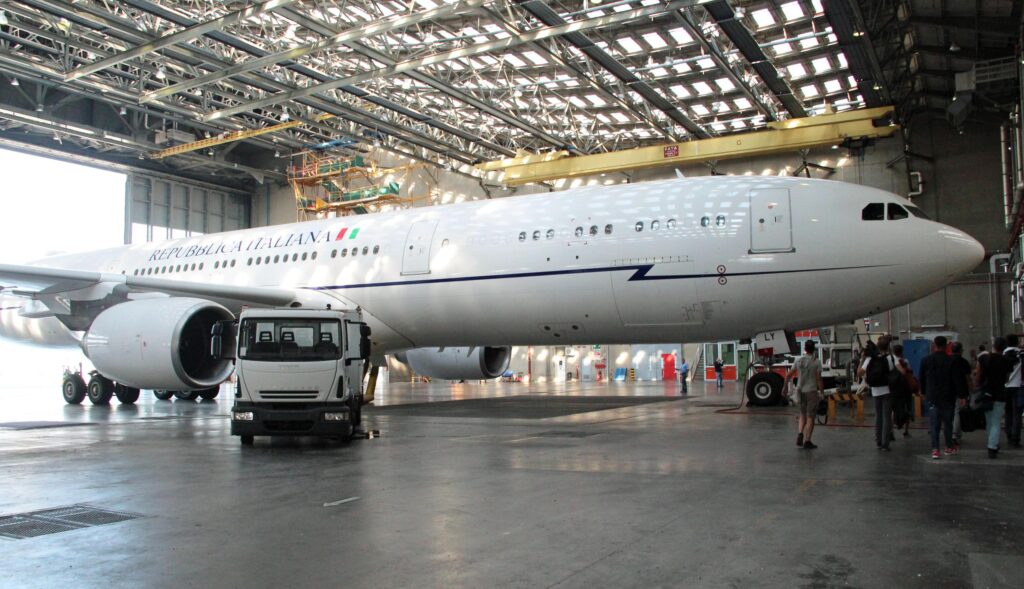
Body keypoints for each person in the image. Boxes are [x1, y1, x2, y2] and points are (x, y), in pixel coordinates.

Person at [857, 335, 904, 451]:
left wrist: (862, 359)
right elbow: (902, 371)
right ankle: (885, 444)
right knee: (887, 417)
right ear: (888, 347)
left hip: (875, 390)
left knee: (878, 416)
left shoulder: (870, 359)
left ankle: (878, 441)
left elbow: (859, 373)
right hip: (888, 390)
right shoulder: (891, 357)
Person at [918, 336, 956, 459]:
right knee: (948, 423)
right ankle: (949, 447)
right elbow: (956, 380)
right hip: (948, 396)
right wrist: (962, 395)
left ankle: (935, 449)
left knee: (934, 424)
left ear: (934, 345)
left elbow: (921, 378)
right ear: (946, 345)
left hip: (932, 395)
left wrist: (923, 392)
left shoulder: (926, 360)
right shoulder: (951, 361)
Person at [784, 340, 823, 449]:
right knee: (810, 417)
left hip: (800, 392)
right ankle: (807, 441)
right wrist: (822, 392)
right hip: (811, 392)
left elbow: (788, 375)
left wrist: (784, 387)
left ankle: (800, 433)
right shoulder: (816, 362)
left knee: (802, 414)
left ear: (805, 349)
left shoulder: (798, 360)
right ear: (814, 349)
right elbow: (819, 379)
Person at [975, 337, 1010, 458]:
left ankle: (992, 442)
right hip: (1000, 394)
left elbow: (978, 375)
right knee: (996, 421)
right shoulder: (1006, 360)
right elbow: (1007, 378)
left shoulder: (984, 358)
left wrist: (978, 386)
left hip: (986, 392)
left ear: (993, 345)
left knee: (989, 421)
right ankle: (992, 446)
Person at [891, 344, 916, 438]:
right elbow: (909, 373)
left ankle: (891, 431)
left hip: (893, 389)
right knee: (908, 408)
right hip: (905, 389)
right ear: (902, 352)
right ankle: (906, 431)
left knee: (892, 410)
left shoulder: (891, 361)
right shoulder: (905, 361)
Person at [1003, 334, 1022, 448]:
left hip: (1005, 386)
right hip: (1018, 385)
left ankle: (1009, 435)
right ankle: (1015, 438)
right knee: (1017, 413)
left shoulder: (1003, 354)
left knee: (1008, 412)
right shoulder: (1021, 354)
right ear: (1017, 341)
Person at [950, 342, 972, 444]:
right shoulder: (964, 362)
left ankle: (953, 433)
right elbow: (968, 378)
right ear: (960, 351)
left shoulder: (947, 360)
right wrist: (971, 389)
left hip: (948, 391)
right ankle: (955, 434)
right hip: (961, 391)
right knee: (958, 412)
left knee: (950, 412)